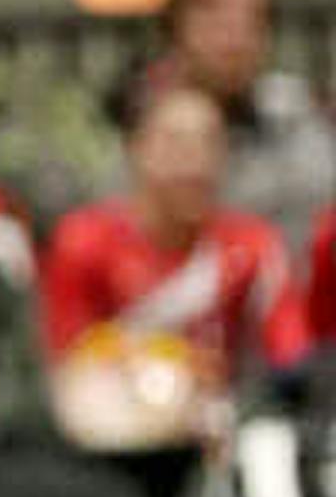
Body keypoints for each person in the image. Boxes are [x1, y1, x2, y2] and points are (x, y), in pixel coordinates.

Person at [43, 83, 309, 394]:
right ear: (135, 149)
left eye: (210, 143)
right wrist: (172, 362)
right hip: (112, 426)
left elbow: (291, 353)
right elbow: (69, 360)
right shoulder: (85, 241)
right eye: (175, 144)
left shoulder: (254, 244)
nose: (196, 163)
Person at [122, 0, 336, 250]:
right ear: (174, 30)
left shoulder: (299, 124)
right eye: (212, 14)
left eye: (254, 19)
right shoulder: (140, 131)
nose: (236, 36)